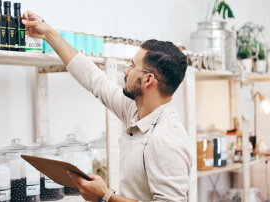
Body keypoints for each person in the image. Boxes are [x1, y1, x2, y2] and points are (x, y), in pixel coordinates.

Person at [22, 11, 192, 202]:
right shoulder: (136, 110)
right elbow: (95, 80)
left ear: (147, 79)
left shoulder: (167, 139)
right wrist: (48, 34)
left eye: (132, 66)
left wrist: (106, 196)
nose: (126, 71)